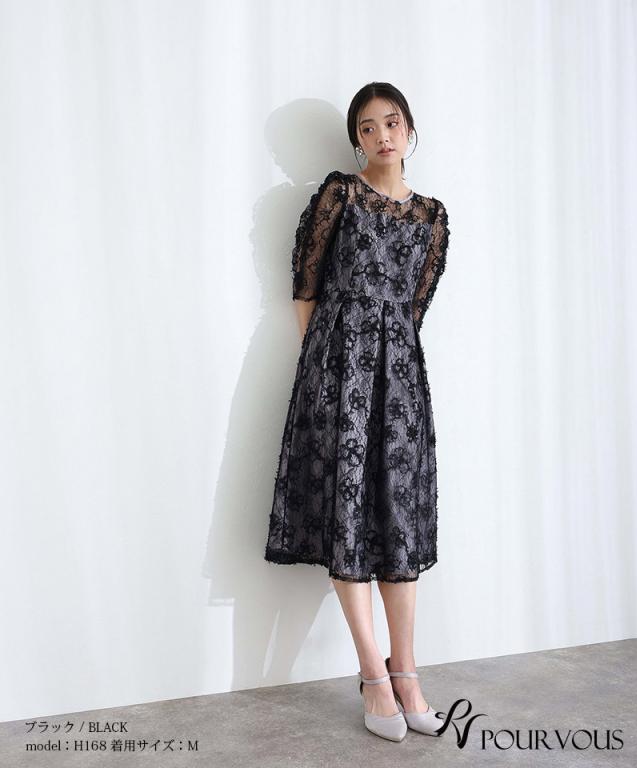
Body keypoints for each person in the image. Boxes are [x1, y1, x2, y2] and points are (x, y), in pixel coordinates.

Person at [264, 82, 450, 742]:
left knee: (397, 522)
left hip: (399, 381)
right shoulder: (339, 195)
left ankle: (408, 673)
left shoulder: (431, 217)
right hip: (336, 371)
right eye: (367, 128)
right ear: (356, 140)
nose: (381, 136)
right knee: (347, 515)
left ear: (410, 129)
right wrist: (326, 364)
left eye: (391, 123)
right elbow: (306, 286)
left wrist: (386, 356)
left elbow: (414, 307)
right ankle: (373, 674)